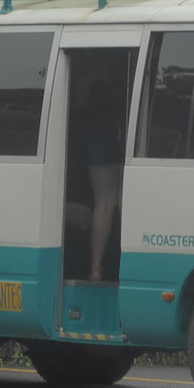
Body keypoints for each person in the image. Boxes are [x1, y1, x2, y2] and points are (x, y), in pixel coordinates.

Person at [74, 54, 127, 282]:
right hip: (126, 138)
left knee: (104, 204)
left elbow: (77, 107)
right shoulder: (126, 73)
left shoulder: (88, 76)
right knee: (126, 203)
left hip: (98, 139)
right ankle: (131, 263)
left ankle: (96, 268)